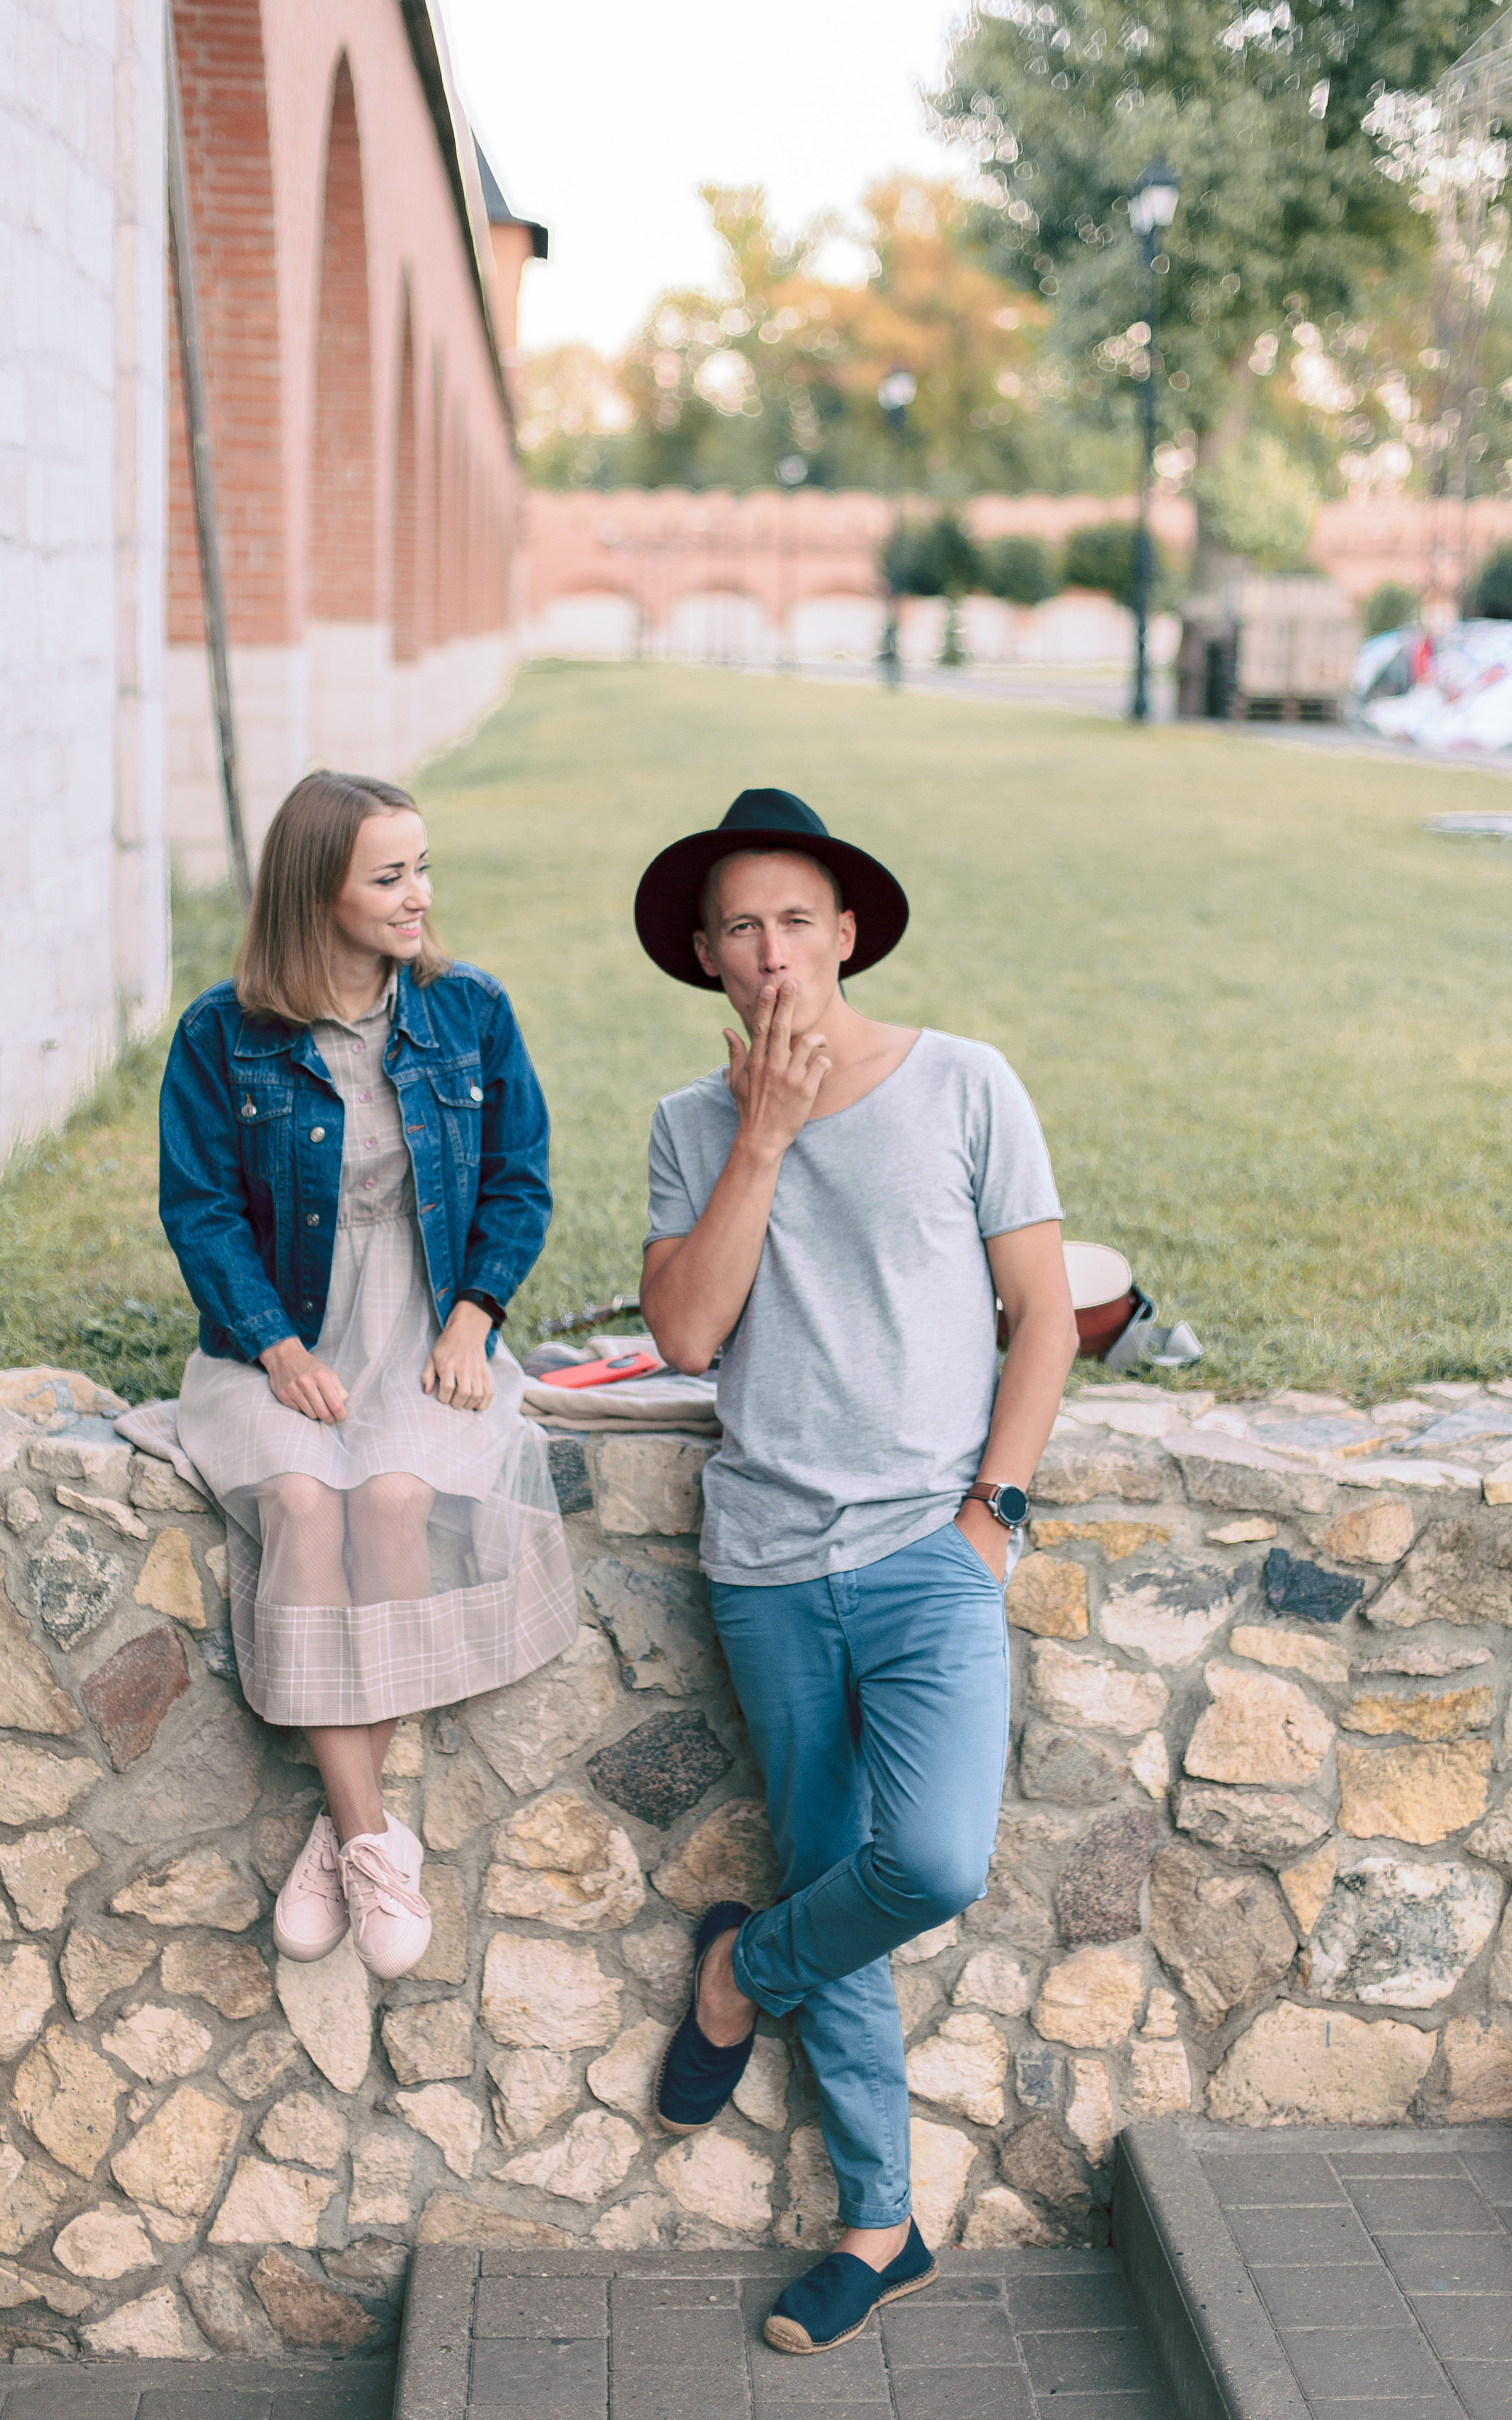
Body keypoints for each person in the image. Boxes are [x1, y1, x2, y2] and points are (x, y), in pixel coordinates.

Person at [634, 787, 1077, 2354]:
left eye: (795, 922)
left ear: (845, 935)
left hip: (924, 1555)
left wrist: (990, 1520)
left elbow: (1042, 1313)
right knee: (839, 1866)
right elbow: (686, 1334)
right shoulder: (690, 1128)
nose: (770, 955)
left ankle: (739, 1970)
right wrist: (759, 1138)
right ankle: (878, 2228)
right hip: (762, 1566)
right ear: (702, 954)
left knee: (930, 1865)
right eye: (738, 928)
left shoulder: (964, 1083)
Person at [159, 771, 576, 1983]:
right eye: (389, 876)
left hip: (422, 1316)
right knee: (301, 1503)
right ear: (316, 892)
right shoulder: (219, 1034)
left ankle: (341, 1833)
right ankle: (373, 1837)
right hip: (281, 1328)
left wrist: (474, 1317)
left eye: (423, 868)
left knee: (392, 1501)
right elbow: (201, 1209)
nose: (419, 896)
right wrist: (276, 1350)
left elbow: (519, 1178)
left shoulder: (468, 1012)